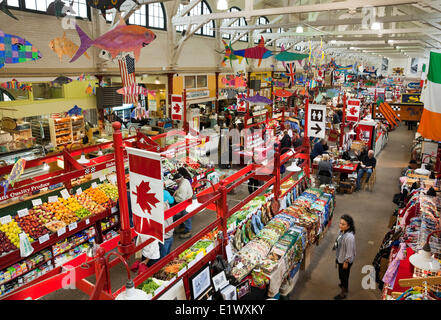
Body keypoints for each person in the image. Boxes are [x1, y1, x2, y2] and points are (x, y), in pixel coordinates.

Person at [333, 215, 356, 300]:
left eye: (343, 224)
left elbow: (349, 251)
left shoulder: (349, 237)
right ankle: (344, 285)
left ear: (348, 226)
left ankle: (343, 292)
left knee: (343, 276)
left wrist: (346, 262)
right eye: (340, 223)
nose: (340, 225)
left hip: (345, 260)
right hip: (340, 256)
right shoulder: (342, 231)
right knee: (343, 275)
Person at [173, 173, 194, 239]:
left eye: (176, 181)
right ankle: (182, 227)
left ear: (177, 180)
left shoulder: (182, 187)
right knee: (182, 215)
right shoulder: (185, 180)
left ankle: (188, 231)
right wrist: (176, 191)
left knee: (186, 216)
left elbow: (181, 198)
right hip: (189, 200)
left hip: (186, 203)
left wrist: (174, 197)